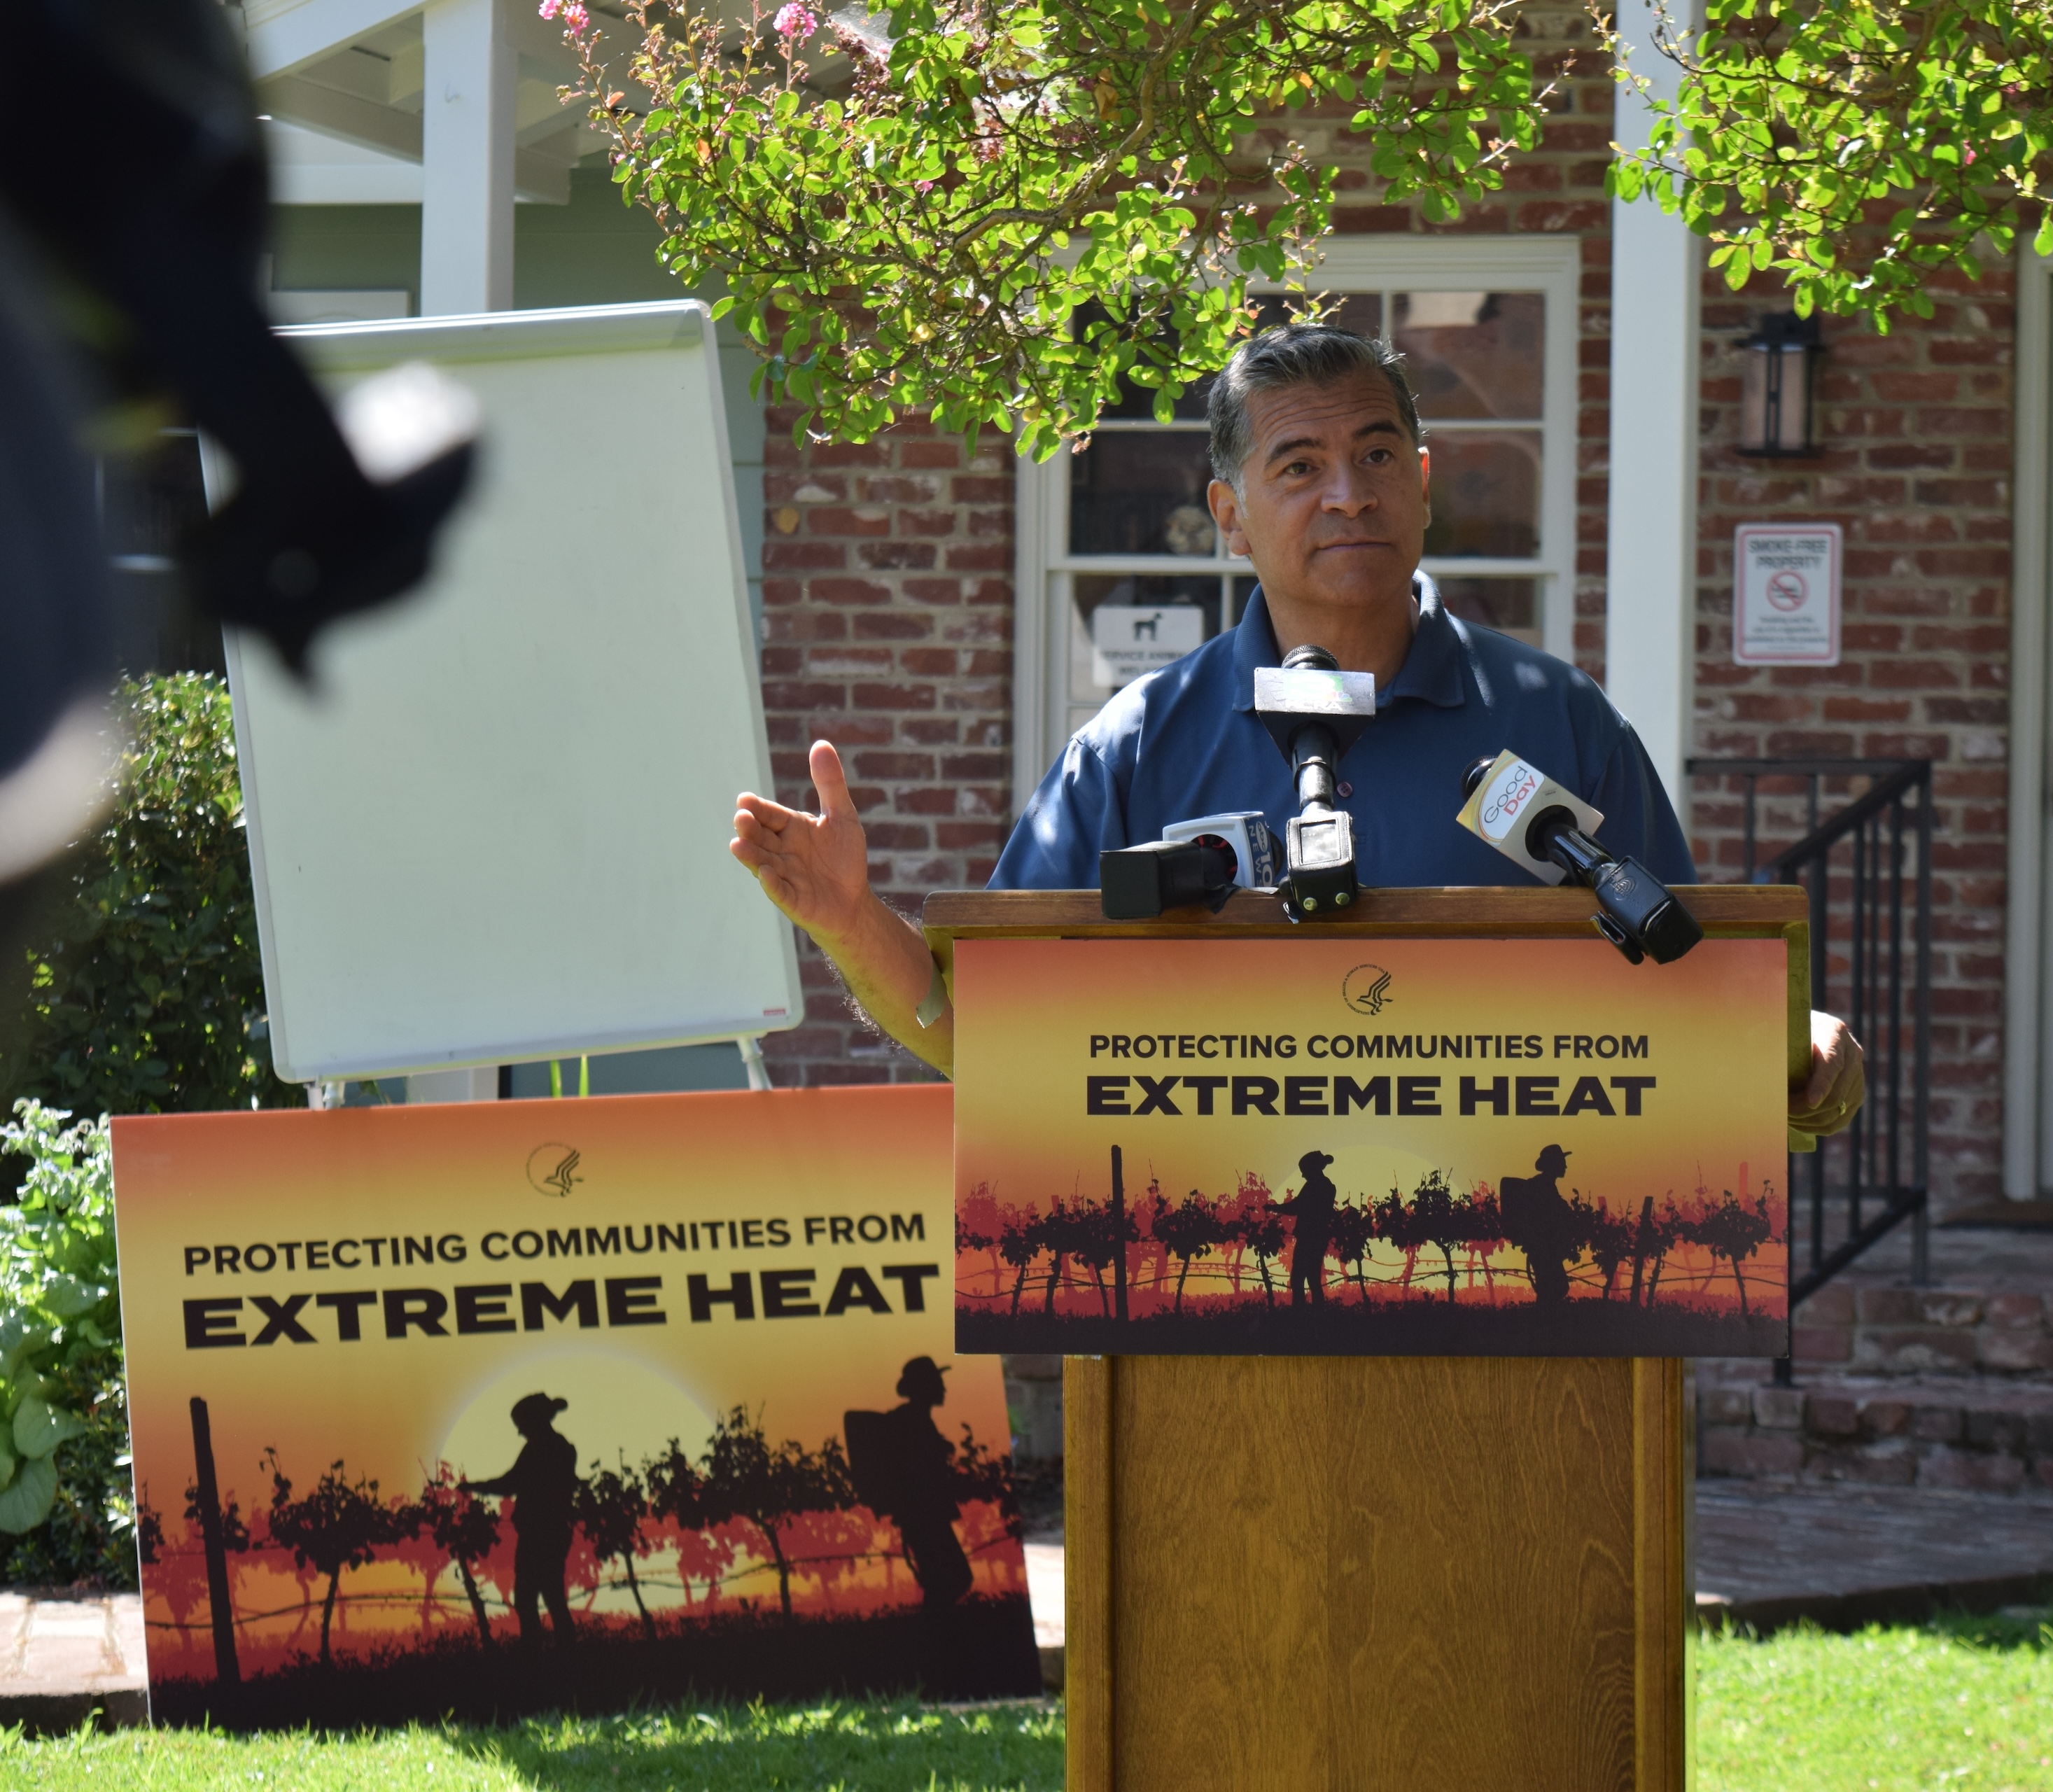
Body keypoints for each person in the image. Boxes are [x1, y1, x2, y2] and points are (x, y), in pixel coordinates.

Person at [730, 323, 1865, 1131]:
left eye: (1376, 456)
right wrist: (847, 920)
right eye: (1300, 465)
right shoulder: (1133, 751)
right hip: (1210, 1346)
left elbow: (1693, 981)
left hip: (1521, 1343)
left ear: (1422, 485)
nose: (1348, 494)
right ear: (1229, 514)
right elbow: (981, 1030)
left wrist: (1799, 1050)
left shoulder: (1557, 724)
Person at [847, 1356, 976, 1608]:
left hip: (923, 1516)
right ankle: (934, 1633)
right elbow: (916, 1471)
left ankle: (934, 1634)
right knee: (954, 1578)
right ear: (924, 1386)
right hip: (925, 1516)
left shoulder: (913, 1419)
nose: (943, 1388)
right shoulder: (912, 1421)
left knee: (942, 1580)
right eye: (937, 1382)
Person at [465, 1392, 580, 1647]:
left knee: (529, 1599)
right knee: (552, 1598)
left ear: (533, 1422)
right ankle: (563, 1655)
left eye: (522, 1426)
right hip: (552, 1532)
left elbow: (511, 1483)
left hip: (540, 1534)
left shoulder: (540, 1449)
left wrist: (474, 1486)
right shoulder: (560, 1447)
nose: (520, 1432)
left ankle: (536, 1657)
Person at [1499, 1143, 1576, 1306]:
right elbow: (1547, 1217)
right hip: (1543, 1247)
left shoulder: (1543, 1185)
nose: (1565, 1166)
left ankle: (1542, 1322)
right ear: (1554, 1165)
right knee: (1556, 1287)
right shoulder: (1543, 1187)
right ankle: (1542, 1323)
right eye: (1562, 1162)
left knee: (1550, 1288)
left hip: (1542, 1247)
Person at [1273, 1149, 1341, 1306]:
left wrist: (1274, 1208)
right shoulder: (1328, 1186)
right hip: (1319, 1238)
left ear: (1312, 1169)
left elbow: (1295, 1207)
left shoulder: (1313, 1187)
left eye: (1304, 1171)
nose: (1303, 1175)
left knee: (1298, 1279)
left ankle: (1300, 1315)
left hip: (1308, 1239)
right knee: (1313, 1279)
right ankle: (1316, 1313)